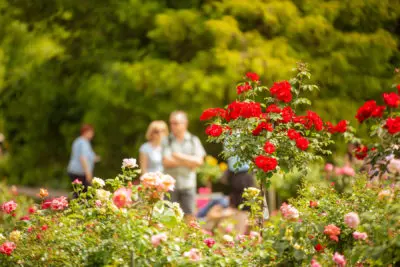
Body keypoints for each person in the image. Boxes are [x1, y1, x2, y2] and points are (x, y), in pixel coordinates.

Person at [162, 111, 206, 217]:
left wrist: (178, 156)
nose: (173, 126)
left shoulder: (193, 140)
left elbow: (199, 161)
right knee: (169, 216)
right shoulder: (166, 140)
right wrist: (190, 162)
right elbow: (166, 162)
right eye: (171, 123)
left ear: (185, 123)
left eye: (176, 123)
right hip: (170, 186)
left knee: (189, 216)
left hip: (188, 185)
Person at [67, 124, 98, 194]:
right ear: (86, 132)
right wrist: (88, 173)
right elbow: (83, 158)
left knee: (78, 192)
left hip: (75, 171)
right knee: (83, 193)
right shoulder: (83, 142)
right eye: (91, 132)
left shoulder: (78, 141)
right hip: (80, 172)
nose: (92, 134)